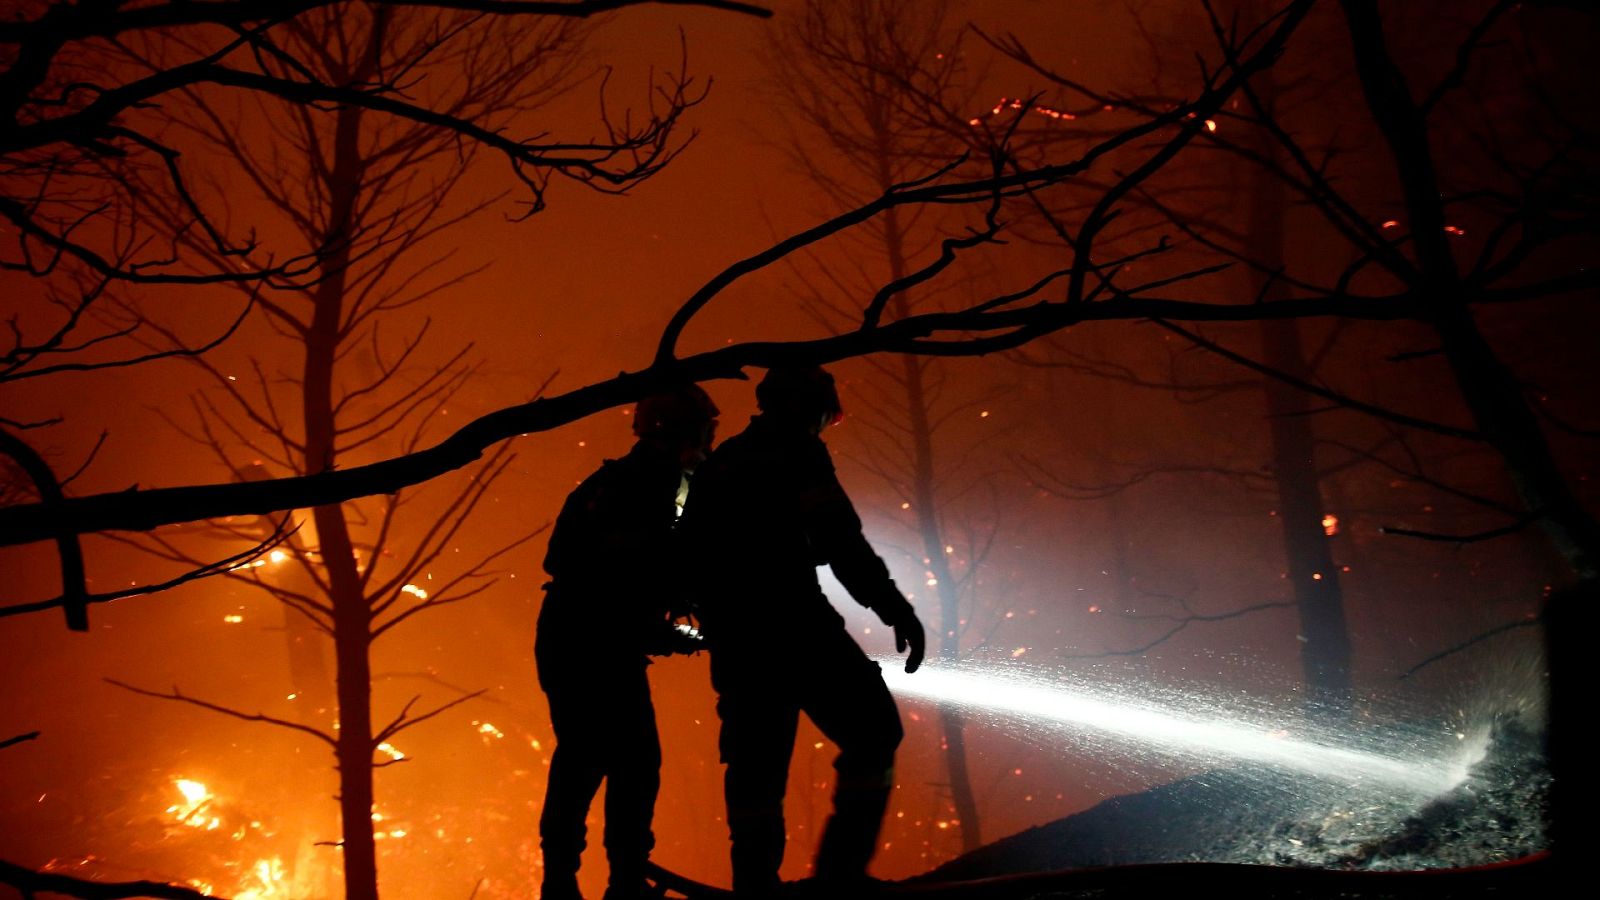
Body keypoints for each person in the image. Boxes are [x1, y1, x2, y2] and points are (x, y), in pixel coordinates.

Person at [679, 365, 926, 897]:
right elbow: (839, 538)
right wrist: (893, 607)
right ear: (810, 407)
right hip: (796, 626)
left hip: (738, 640)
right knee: (875, 732)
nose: (822, 428)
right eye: (823, 417)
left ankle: (754, 885)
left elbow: (690, 558)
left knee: (756, 768)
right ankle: (840, 875)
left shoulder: (720, 465)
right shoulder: (798, 450)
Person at [535, 384, 719, 900]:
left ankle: (571, 881)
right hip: (592, 642)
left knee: (590, 756)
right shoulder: (651, 487)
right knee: (623, 759)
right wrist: (670, 624)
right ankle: (616, 882)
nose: (708, 443)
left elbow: (574, 562)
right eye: (703, 432)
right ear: (681, 433)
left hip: (574, 637)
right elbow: (629, 570)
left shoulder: (616, 482)